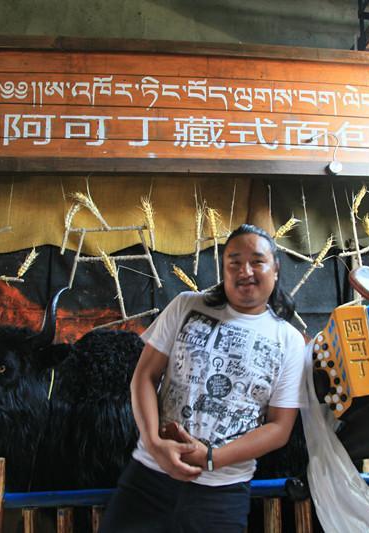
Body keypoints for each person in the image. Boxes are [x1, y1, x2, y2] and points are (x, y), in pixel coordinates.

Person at [100, 224, 306, 532]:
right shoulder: (186, 305)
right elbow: (144, 376)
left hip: (221, 494)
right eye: (234, 262)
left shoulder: (289, 340)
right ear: (223, 269)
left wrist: (212, 458)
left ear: (275, 268)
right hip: (148, 477)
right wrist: (156, 444)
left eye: (256, 261)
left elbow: (279, 427)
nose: (245, 270)